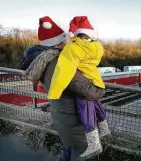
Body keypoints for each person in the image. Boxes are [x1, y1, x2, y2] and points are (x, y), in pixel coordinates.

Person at [20, 16, 105, 161]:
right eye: (65, 38)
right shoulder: (59, 63)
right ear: (59, 42)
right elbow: (90, 91)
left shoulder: (41, 60)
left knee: (67, 150)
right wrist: (101, 90)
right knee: (79, 153)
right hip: (74, 120)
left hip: (61, 116)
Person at [47, 16, 110, 157]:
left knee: (85, 109)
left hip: (85, 86)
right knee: (94, 103)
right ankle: (104, 127)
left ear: (75, 33)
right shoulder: (97, 47)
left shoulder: (72, 48)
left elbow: (63, 72)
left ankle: (94, 144)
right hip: (97, 82)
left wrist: (53, 93)